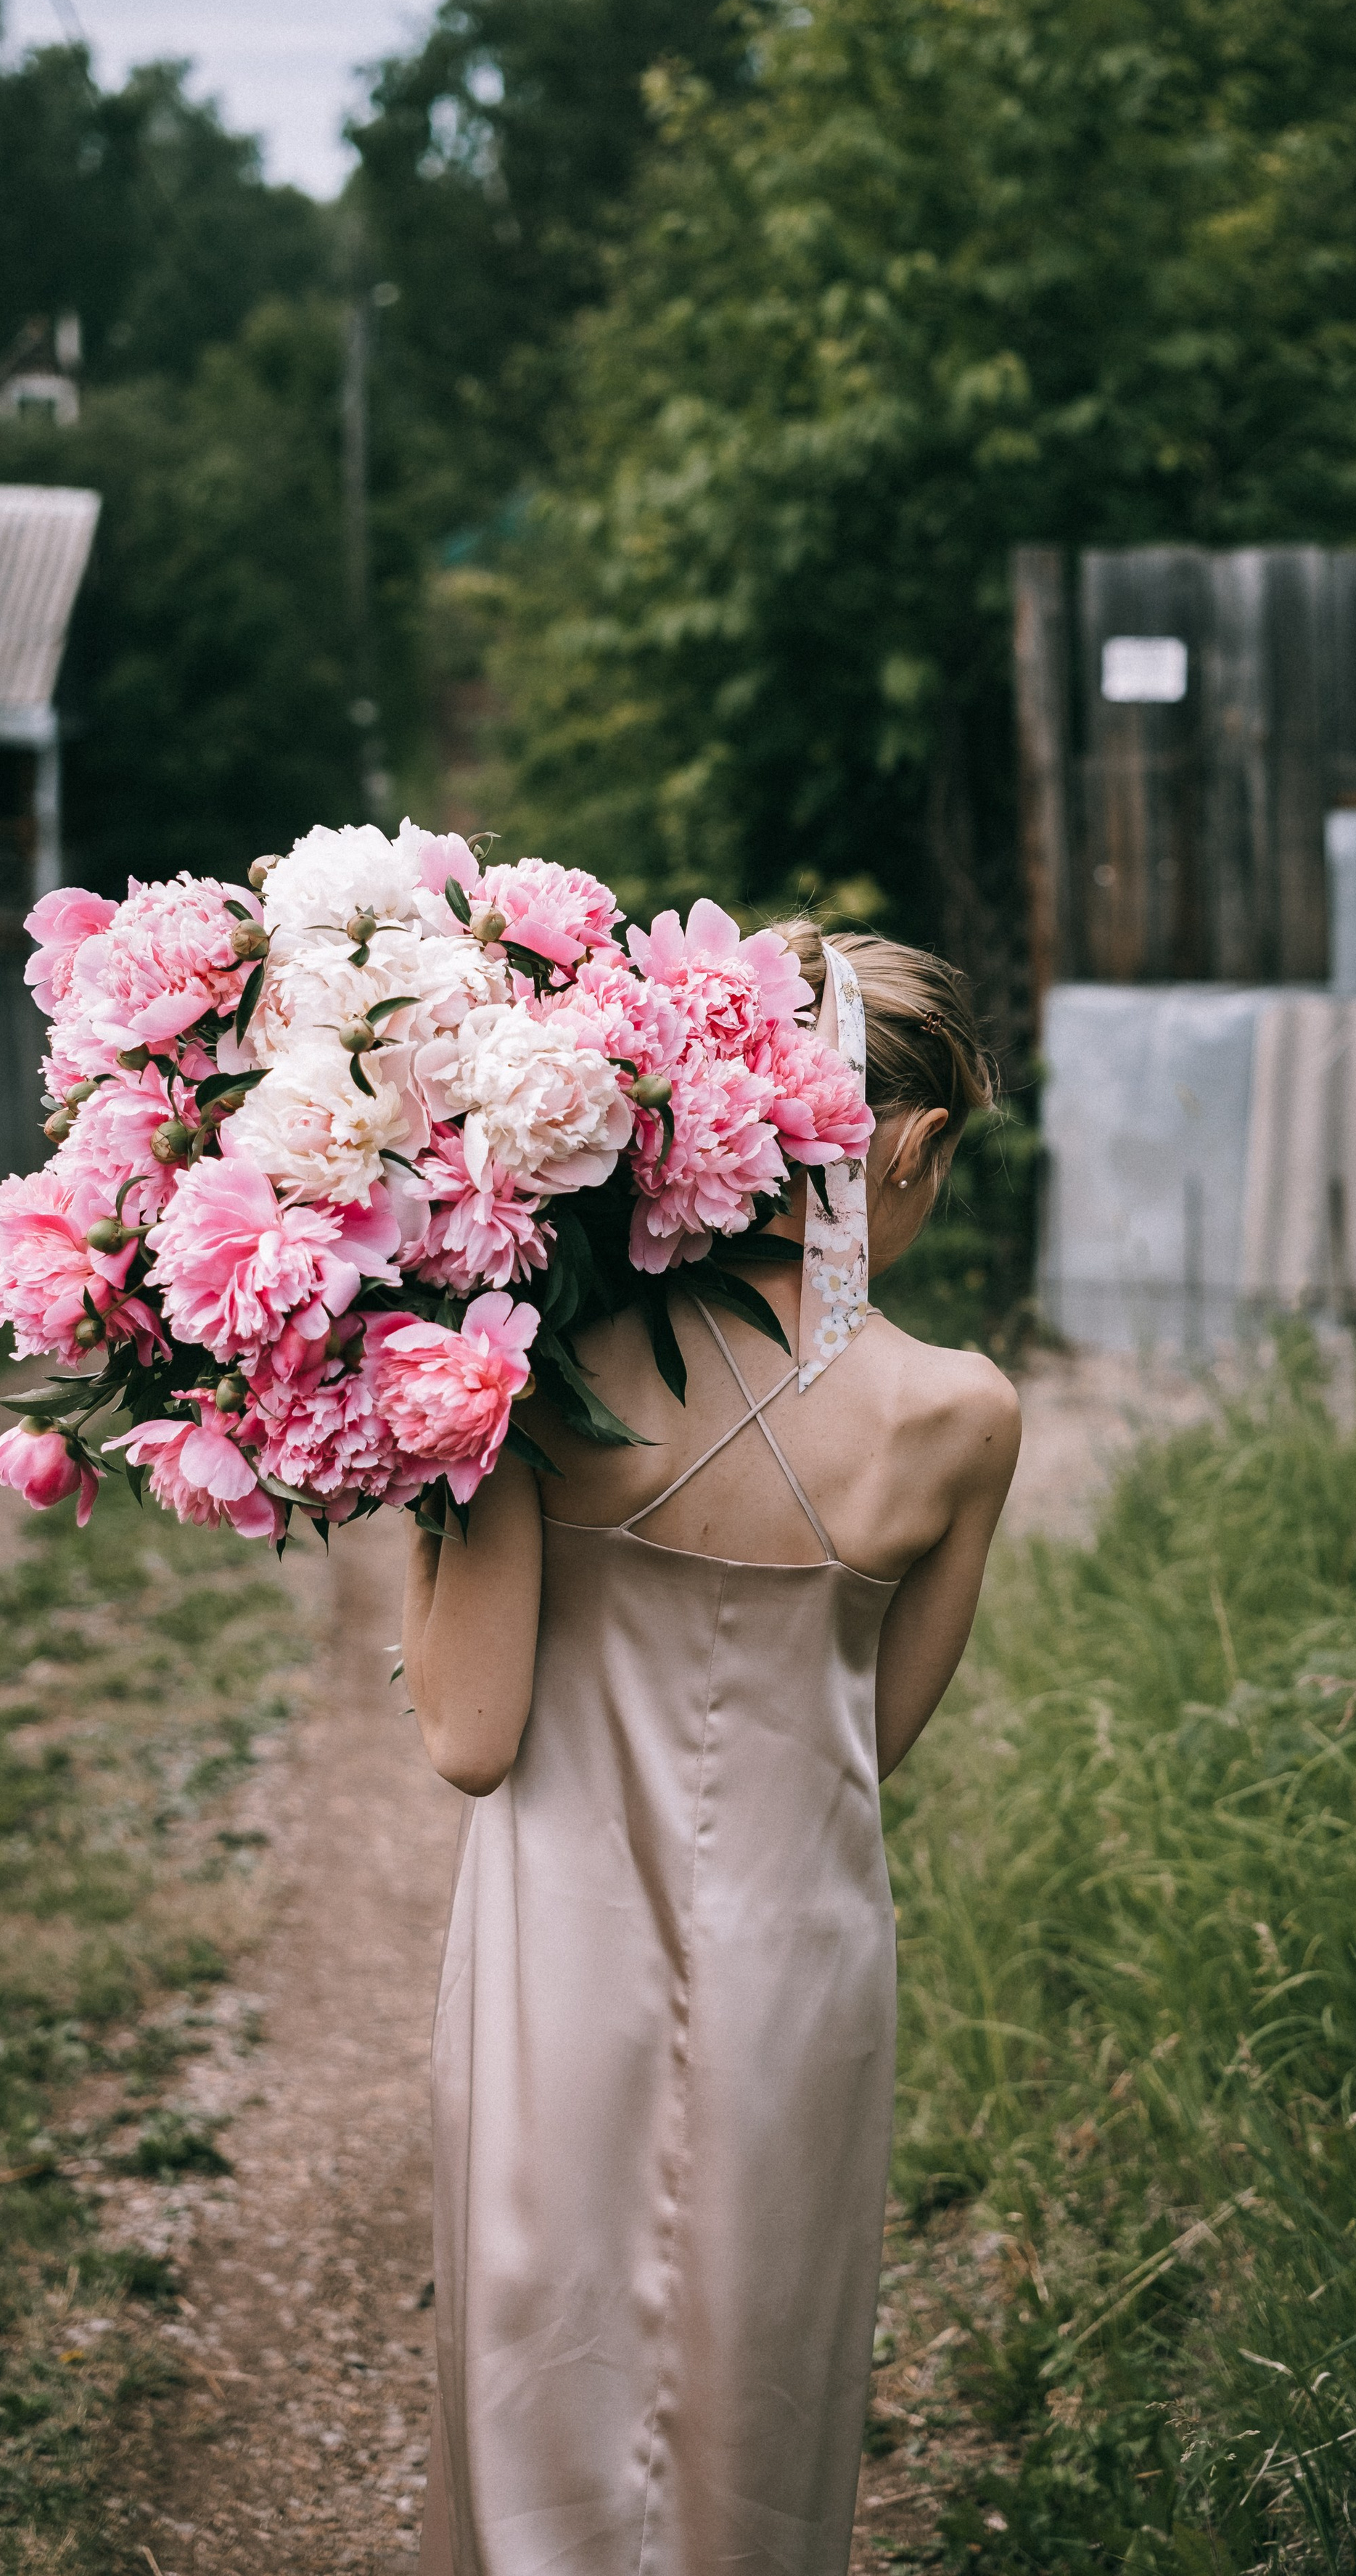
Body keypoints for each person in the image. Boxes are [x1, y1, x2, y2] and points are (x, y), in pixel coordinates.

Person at [403, 924, 1022, 2575]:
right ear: (908, 1146)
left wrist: (418, 1425)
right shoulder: (957, 1417)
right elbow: (865, 1746)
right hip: (794, 1964)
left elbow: (469, 1738)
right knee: (762, 2372)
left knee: (537, 2351)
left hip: (552, 1956)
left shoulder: (525, 1376)